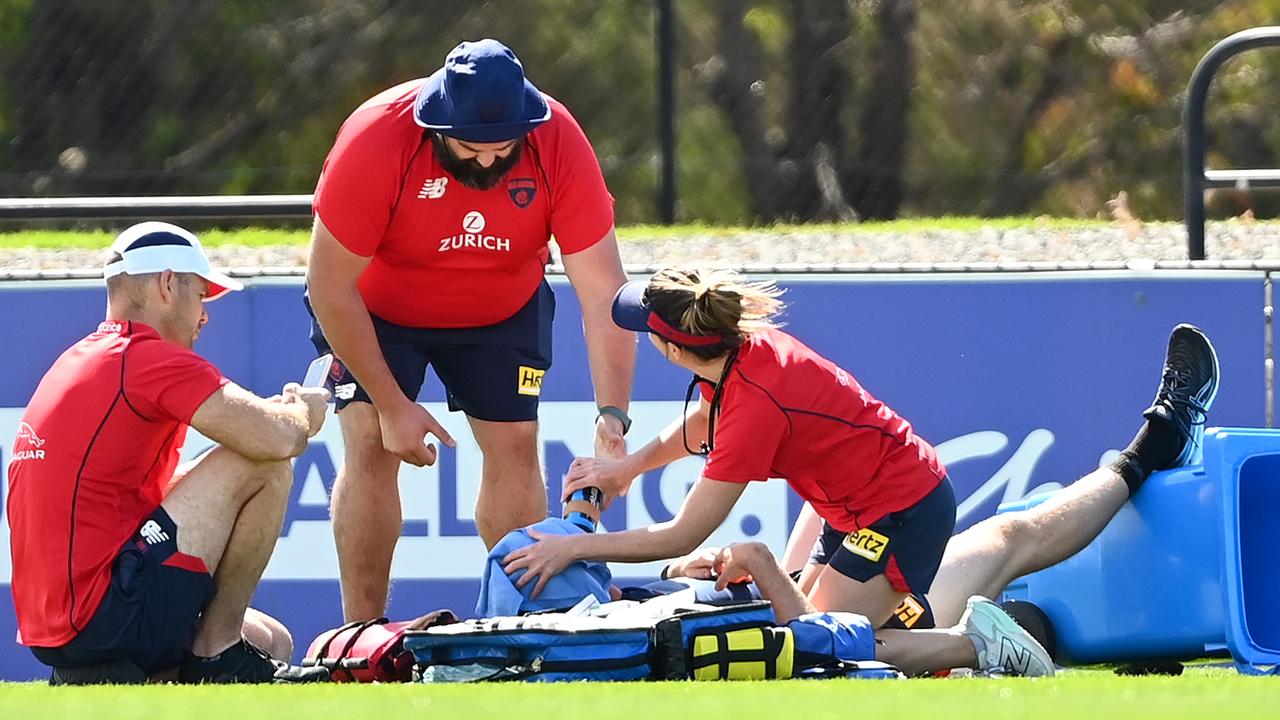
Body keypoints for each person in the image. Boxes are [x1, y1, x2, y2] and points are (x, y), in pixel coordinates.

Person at [624, 320, 1219, 673]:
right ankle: (984, 646)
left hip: (860, 582)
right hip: (878, 631)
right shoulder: (674, 635)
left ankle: (1158, 440)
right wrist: (744, 564)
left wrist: (632, 484)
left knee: (1011, 537)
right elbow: (804, 641)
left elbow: (775, 562)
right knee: (834, 649)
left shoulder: (756, 377)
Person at [304, 38, 636, 622]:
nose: (486, 162)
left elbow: (604, 292)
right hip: (376, 310)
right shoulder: (378, 137)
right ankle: (361, 636)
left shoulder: (559, 139)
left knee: (513, 448)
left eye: (504, 148)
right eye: (468, 148)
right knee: (370, 444)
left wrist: (612, 418)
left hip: (501, 307)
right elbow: (329, 287)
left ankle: (523, 629)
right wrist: (390, 403)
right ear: (435, 125)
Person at [503, 266, 955, 627]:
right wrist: (628, 469)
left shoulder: (755, 404)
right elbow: (705, 421)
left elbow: (681, 535)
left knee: (819, 644)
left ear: (674, 350)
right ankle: (915, 618)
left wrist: (573, 549)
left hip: (903, 509)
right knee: (802, 623)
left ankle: (972, 647)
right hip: (856, 507)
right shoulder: (740, 351)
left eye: (648, 331)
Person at [7, 222, 331, 685]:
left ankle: (179, 668)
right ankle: (216, 653)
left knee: (271, 641)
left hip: (66, 625)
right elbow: (276, 442)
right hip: (103, 615)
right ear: (166, 284)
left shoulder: (84, 357)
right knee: (264, 464)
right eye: (200, 295)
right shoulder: (145, 357)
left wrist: (270, 423)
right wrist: (303, 412)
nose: (204, 316)